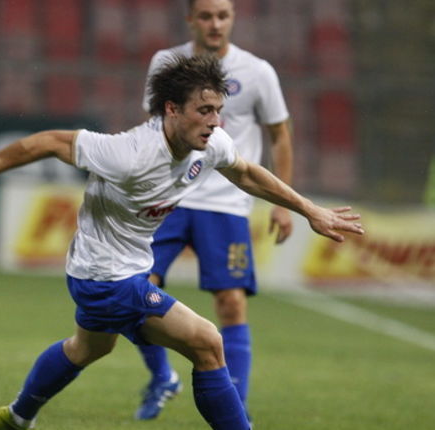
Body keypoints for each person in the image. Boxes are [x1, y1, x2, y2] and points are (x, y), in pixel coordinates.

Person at [0, 55, 363, 430]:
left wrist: (309, 209)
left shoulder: (210, 143)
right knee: (208, 342)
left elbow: (248, 173)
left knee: (87, 348)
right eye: (204, 111)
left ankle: (17, 417)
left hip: (105, 270)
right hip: (108, 279)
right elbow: (47, 142)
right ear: (172, 109)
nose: (215, 121)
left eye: (218, 110)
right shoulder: (129, 153)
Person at [132, 0, 294, 421]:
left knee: (231, 303)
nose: (215, 23)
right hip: (170, 196)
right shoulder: (166, 63)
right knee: (136, 294)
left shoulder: (258, 72)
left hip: (225, 203)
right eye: (206, 15)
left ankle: (235, 409)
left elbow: (279, 136)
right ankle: (162, 377)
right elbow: (152, 130)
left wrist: (284, 203)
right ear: (191, 19)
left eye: (223, 15)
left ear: (233, 19)